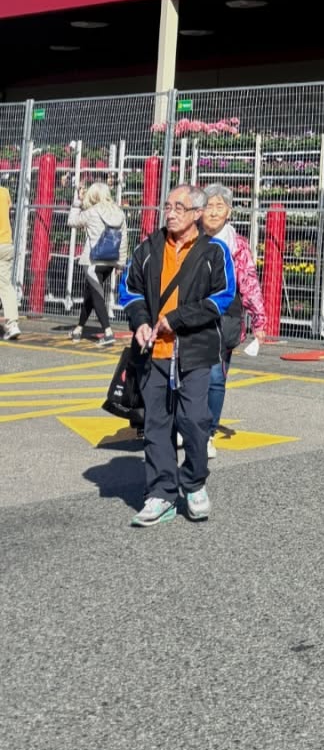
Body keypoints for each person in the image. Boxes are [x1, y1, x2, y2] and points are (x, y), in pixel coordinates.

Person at [117, 183, 235, 528]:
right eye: (167, 206)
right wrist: (140, 321)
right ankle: (161, 493)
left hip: (195, 351)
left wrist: (177, 319)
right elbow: (130, 289)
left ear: (197, 213)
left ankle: (194, 483)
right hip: (153, 350)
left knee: (195, 421)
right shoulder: (149, 247)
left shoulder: (214, 251)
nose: (170, 213)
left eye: (179, 207)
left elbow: (222, 297)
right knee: (156, 424)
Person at [200, 184, 270, 460]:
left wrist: (259, 321)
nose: (213, 212)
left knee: (216, 377)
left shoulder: (237, 244)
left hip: (225, 316)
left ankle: (207, 433)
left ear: (229, 212)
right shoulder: (190, 237)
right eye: (209, 206)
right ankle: (186, 424)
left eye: (220, 206)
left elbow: (249, 283)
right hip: (190, 315)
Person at [67, 181, 128, 345]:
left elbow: (72, 221)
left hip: (92, 261)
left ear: (93, 195)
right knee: (91, 294)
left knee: (97, 296)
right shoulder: (119, 212)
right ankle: (78, 329)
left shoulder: (91, 212)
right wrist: (120, 263)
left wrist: (77, 202)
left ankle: (108, 332)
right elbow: (123, 239)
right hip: (110, 261)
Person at [0, 177, 20, 340]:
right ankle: (13, 324)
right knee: (5, 285)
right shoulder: (5, 192)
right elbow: (9, 208)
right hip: (6, 242)